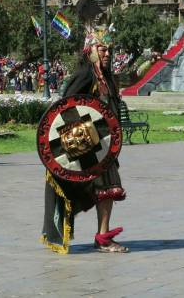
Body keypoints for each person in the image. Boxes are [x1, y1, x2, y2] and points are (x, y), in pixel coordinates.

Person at [42, 27, 127, 254]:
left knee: (109, 188)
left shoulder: (106, 78)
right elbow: (66, 108)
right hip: (85, 145)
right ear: (90, 51)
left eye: (109, 50)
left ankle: (103, 235)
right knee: (101, 187)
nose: (107, 53)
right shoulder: (85, 76)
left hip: (105, 146)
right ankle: (102, 238)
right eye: (102, 49)